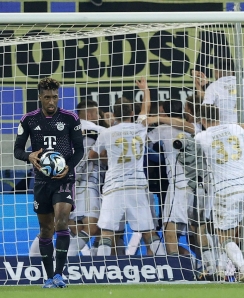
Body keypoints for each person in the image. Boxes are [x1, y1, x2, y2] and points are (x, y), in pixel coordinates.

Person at [14, 77, 84, 288]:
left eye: (54, 97)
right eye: (47, 97)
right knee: (46, 230)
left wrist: (67, 168)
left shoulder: (71, 118)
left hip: (64, 179)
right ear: (40, 97)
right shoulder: (28, 120)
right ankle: (49, 276)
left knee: (62, 222)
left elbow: (79, 149)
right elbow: (17, 150)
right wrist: (30, 156)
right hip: (41, 182)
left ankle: (59, 275)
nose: (51, 101)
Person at [89, 78, 165, 257]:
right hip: (137, 186)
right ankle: (165, 266)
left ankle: (102, 271)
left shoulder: (106, 133)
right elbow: (146, 108)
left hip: (114, 186)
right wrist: (145, 88)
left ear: (113, 115)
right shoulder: (140, 127)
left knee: (107, 231)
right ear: (132, 112)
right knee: (148, 232)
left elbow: (92, 156)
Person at [194, 105, 244, 282]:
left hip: (225, 190)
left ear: (202, 120)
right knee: (231, 233)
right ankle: (221, 270)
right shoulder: (235, 128)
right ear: (219, 115)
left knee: (222, 236)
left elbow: (195, 165)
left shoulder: (201, 137)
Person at [147, 99, 192, 256]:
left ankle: (176, 270)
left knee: (169, 232)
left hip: (178, 185)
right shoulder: (194, 128)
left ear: (165, 113)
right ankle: (205, 267)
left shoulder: (163, 129)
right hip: (199, 185)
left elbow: (141, 143)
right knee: (195, 234)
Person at [68, 100, 107, 256]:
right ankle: (65, 261)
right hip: (88, 183)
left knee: (75, 228)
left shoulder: (65, 130)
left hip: (66, 184)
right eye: (97, 113)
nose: (98, 116)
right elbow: (105, 157)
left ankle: (88, 262)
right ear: (90, 114)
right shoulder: (100, 131)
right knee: (93, 227)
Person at [201, 58, 244, 139]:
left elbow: (206, 108)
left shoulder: (213, 86)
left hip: (228, 133)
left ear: (216, 71)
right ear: (233, 71)